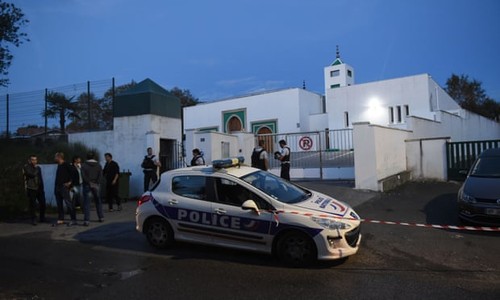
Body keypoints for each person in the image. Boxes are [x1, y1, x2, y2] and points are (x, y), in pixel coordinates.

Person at [81, 152, 104, 225]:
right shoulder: (98, 165)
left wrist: (89, 183)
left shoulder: (84, 165)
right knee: (98, 201)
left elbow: (83, 176)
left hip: (87, 185)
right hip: (96, 185)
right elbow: (100, 175)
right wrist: (96, 183)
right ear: (94, 157)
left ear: (87, 157)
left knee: (87, 203)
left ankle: (87, 220)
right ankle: (101, 217)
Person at [22, 155, 46, 225]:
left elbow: (40, 178)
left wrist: (42, 187)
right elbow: (31, 174)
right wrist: (36, 169)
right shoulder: (26, 167)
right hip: (32, 188)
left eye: (35, 160)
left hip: (39, 188)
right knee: (33, 204)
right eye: (33, 160)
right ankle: (33, 219)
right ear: (29, 160)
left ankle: (42, 218)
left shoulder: (38, 168)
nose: (34, 161)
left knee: (43, 203)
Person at [54, 152, 76, 226]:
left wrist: (70, 183)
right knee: (59, 204)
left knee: (68, 203)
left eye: (55, 157)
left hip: (64, 187)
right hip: (57, 187)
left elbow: (74, 173)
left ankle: (73, 219)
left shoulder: (66, 164)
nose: (55, 158)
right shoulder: (59, 165)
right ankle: (61, 218)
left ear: (59, 157)